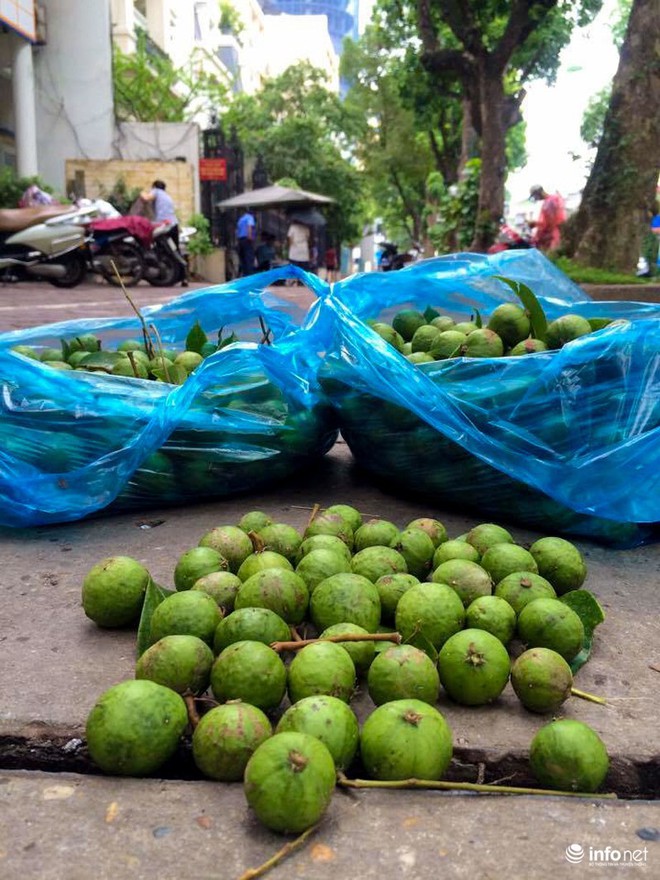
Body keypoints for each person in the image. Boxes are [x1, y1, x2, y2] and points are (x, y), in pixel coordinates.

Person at [140, 180, 180, 249]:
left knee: (158, 246)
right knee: (175, 250)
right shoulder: (167, 195)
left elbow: (146, 198)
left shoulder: (156, 191)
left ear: (154, 187)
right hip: (174, 224)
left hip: (165, 226)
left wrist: (141, 192)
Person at [528, 185, 566, 252]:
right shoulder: (550, 200)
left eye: (535, 196)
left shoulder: (550, 202)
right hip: (553, 234)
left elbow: (550, 223)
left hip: (553, 236)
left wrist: (535, 224)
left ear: (539, 193)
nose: (536, 198)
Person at [236, 207, 256, 276]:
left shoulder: (241, 219)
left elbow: (237, 231)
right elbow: (249, 226)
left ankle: (244, 274)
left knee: (243, 258)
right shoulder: (250, 217)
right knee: (249, 258)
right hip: (247, 239)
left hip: (240, 240)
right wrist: (250, 237)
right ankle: (249, 275)